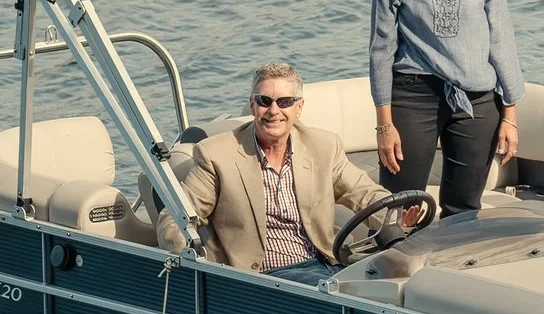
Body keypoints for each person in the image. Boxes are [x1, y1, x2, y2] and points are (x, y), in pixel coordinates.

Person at [162, 63, 424, 284]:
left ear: (298, 108)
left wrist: (397, 218)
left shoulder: (323, 146)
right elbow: (174, 218)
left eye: (285, 102)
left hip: (328, 263)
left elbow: (364, 194)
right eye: (265, 101)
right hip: (266, 276)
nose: (274, 111)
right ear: (252, 105)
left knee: (408, 281)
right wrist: (197, 264)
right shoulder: (216, 155)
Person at [369, 0, 524, 215]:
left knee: (464, 211)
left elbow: (501, 39)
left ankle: (450, 271)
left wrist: (511, 116)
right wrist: (384, 126)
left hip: (477, 102)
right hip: (412, 97)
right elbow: (381, 50)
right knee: (400, 210)